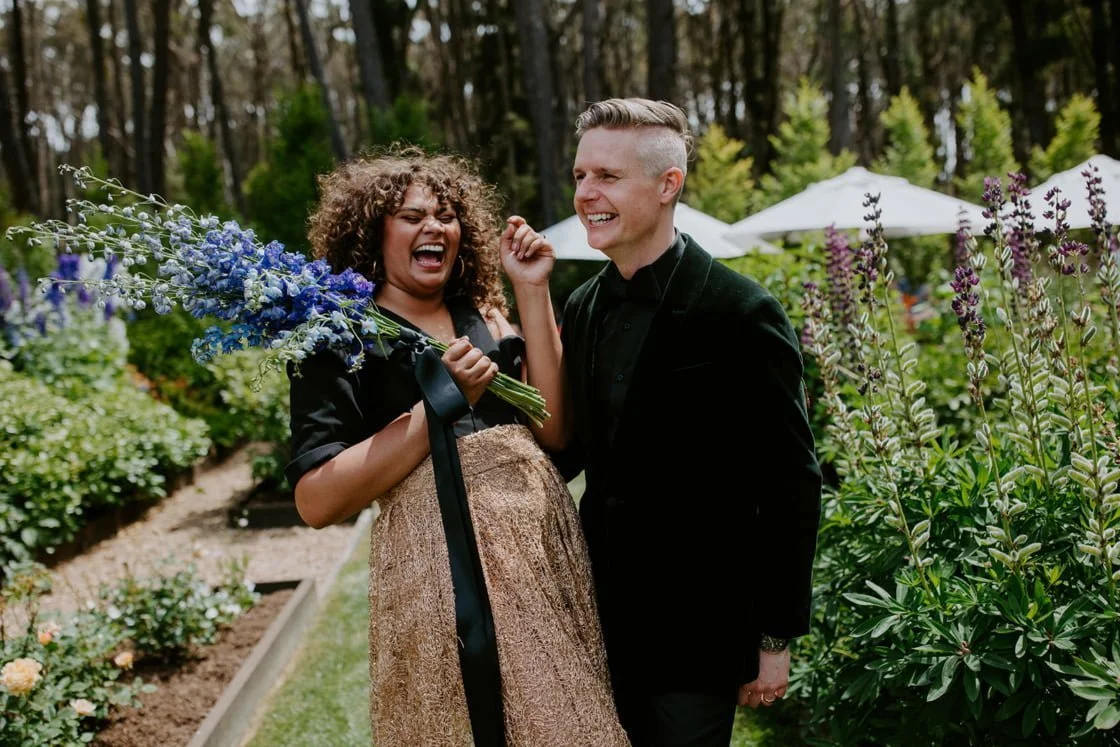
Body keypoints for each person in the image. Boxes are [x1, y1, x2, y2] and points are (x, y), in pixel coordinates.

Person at [284, 147, 630, 746]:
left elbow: (553, 432)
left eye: (446, 216)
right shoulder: (339, 341)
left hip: (542, 554)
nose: (435, 228)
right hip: (440, 569)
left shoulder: (486, 316)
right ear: (372, 233)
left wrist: (531, 291)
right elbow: (316, 501)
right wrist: (439, 406)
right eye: (413, 216)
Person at [553, 98, 823, 746]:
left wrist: (774, 635)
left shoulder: (742, 311)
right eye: (581, 175)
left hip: (701, 631)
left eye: (608, 176)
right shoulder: (582, 306)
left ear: (667, 184)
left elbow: (792, 482)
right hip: (598, 621)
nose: (586, 193)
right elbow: (572, 452)